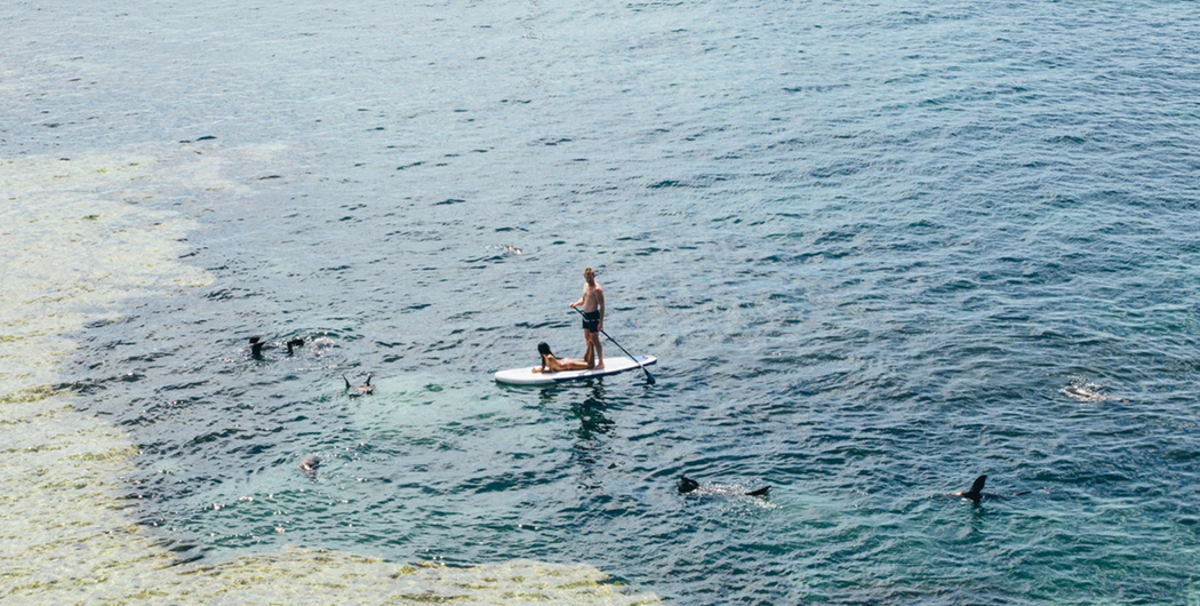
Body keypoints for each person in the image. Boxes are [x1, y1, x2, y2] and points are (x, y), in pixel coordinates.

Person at [569, 267, 605, 368]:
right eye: (586, 278)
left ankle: (601, 362)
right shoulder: (585, 286)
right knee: (587, 338)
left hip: (594, 316)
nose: (588, 280)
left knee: (595, 339)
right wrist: (575, 304)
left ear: (594, 276)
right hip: (585, 315)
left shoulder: (597, 289)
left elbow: (602, 306)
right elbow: (584, 299)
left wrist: (601, 323)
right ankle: (591, 359)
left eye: (590, 278)